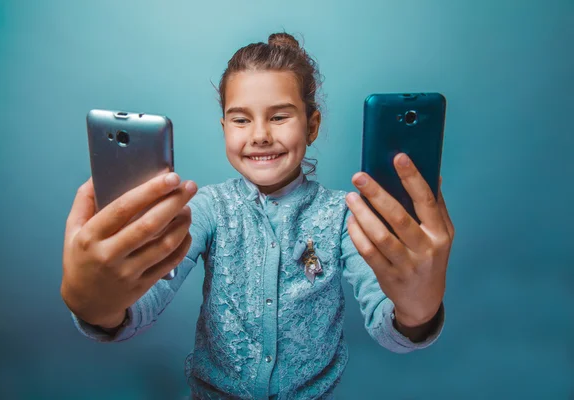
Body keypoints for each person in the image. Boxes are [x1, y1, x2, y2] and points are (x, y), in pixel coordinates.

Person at [61, 32, 455, 399]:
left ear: (312, 125)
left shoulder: (343, 215)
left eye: (279, 116)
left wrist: (417, 310)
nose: (260, 134)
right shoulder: (207, 208)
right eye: (241, 119)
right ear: (224, 128)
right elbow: (146, 300)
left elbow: (388, 326)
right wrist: (100, 308)